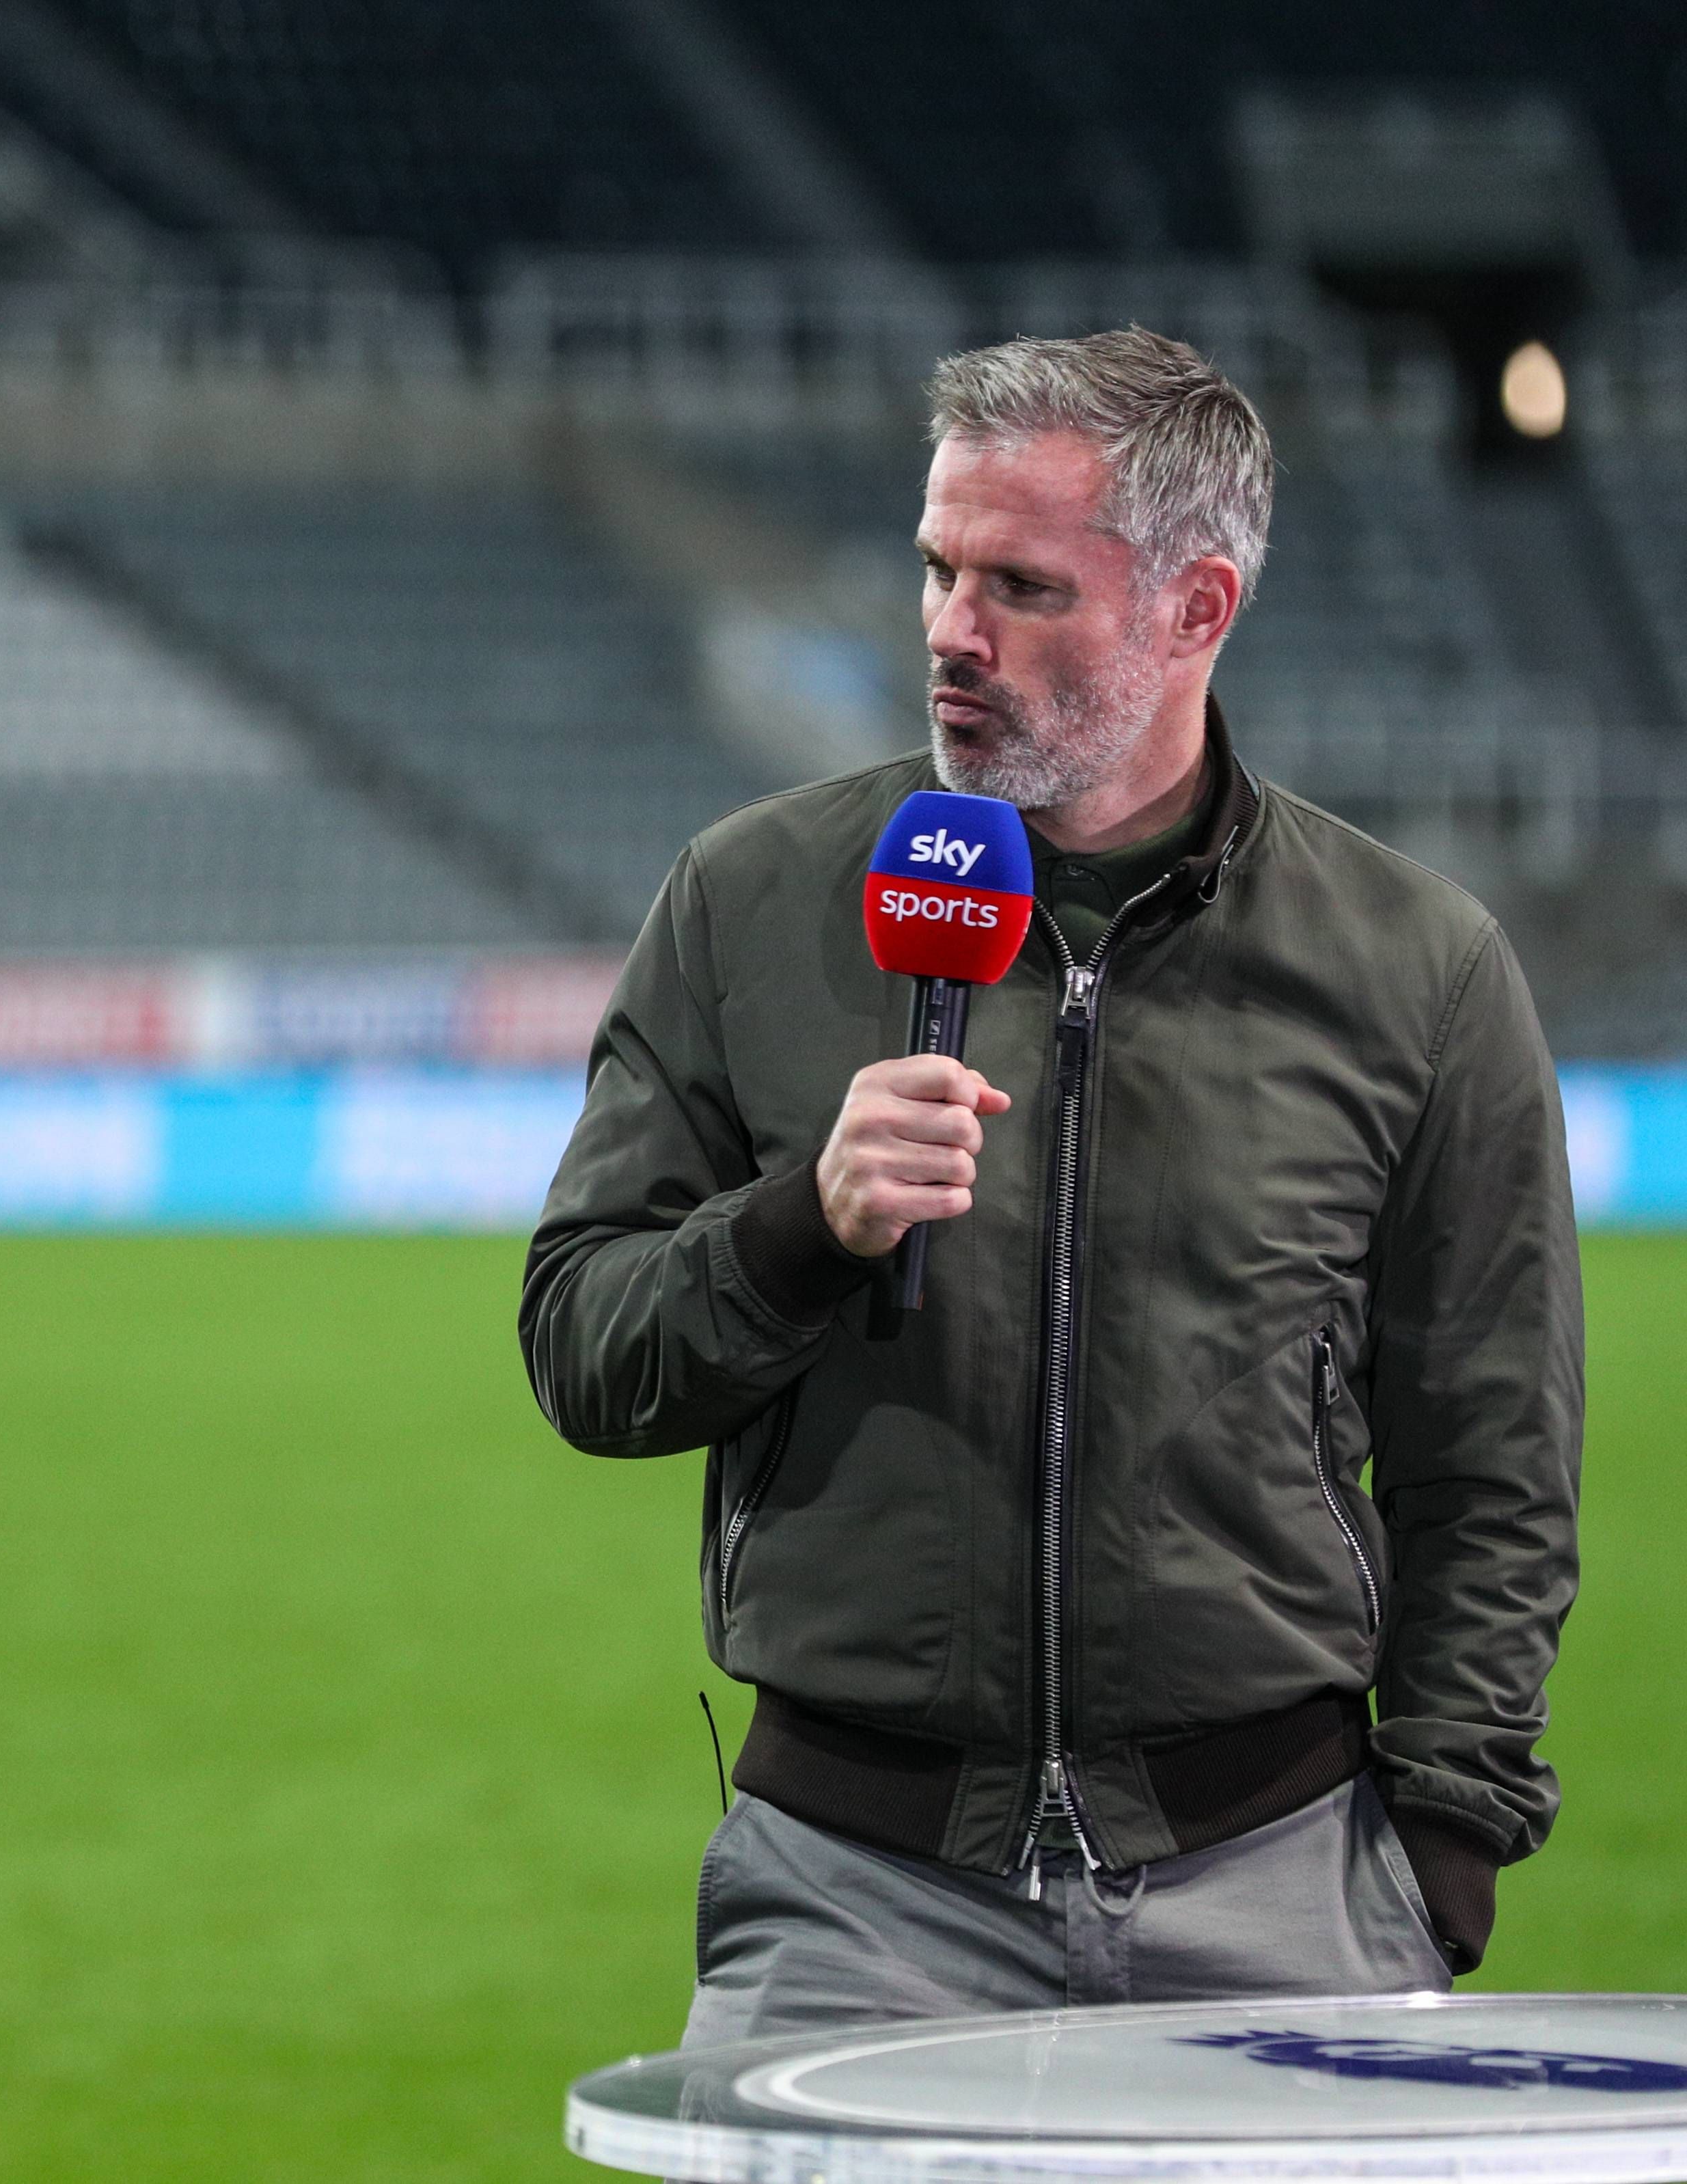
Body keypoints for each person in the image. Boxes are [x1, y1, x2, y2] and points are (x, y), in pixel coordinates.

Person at [522, 329, 1581, 2043]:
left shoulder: (1418, 968)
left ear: (1195, 607)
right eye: (937, 566)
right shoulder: (749, 900)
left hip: (1283, 1884)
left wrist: (1445, 1838)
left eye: (1022, 584)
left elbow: (1495, 1453)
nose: (950, 628)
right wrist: (803, 1227)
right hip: (850, 1897)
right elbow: (582, 1344)